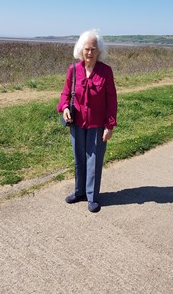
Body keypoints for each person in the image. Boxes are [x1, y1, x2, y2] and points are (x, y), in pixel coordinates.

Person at [57, 29, 117, 213]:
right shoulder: (73, 70)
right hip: (77, 123)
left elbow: (112, 101)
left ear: (99, 51)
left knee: (94, 161)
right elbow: (65, 94)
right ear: (80, 50)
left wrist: (109, 125)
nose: (89, 52)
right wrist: (65, 108)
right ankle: (79, 192)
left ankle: (92, 196)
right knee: (79, 159)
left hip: (97, 125)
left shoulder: (105, 71)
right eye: (86, 49)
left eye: (93, 49)